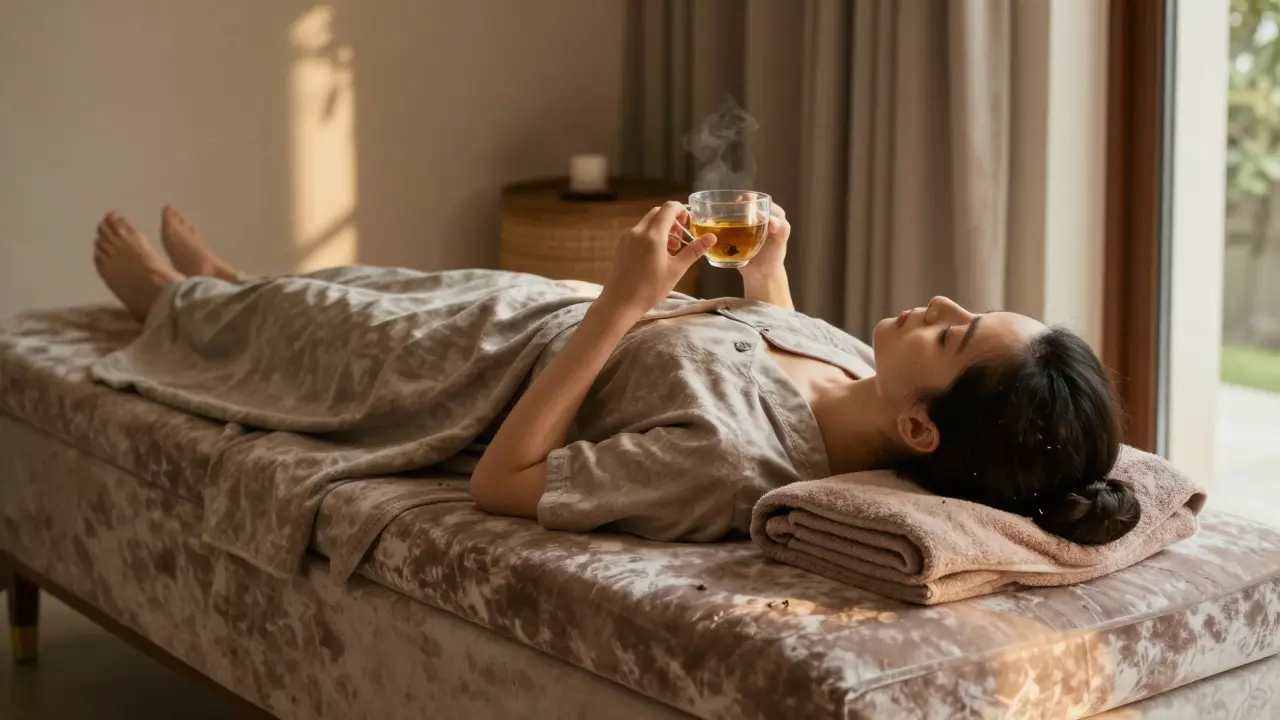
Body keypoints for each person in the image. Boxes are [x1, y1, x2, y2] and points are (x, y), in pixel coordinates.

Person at [92, 201, 1139, 547]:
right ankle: (234, 292)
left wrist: (624, 300)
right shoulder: (861, 382)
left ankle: (167, 306)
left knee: (329, 327)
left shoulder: (730, 470)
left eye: (954, 337)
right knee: (362, 280)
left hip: (457, 376)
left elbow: (505, 483)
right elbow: (770, 354)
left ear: (922, 432)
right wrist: (768, 273)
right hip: (510, 309)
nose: (944, 307)